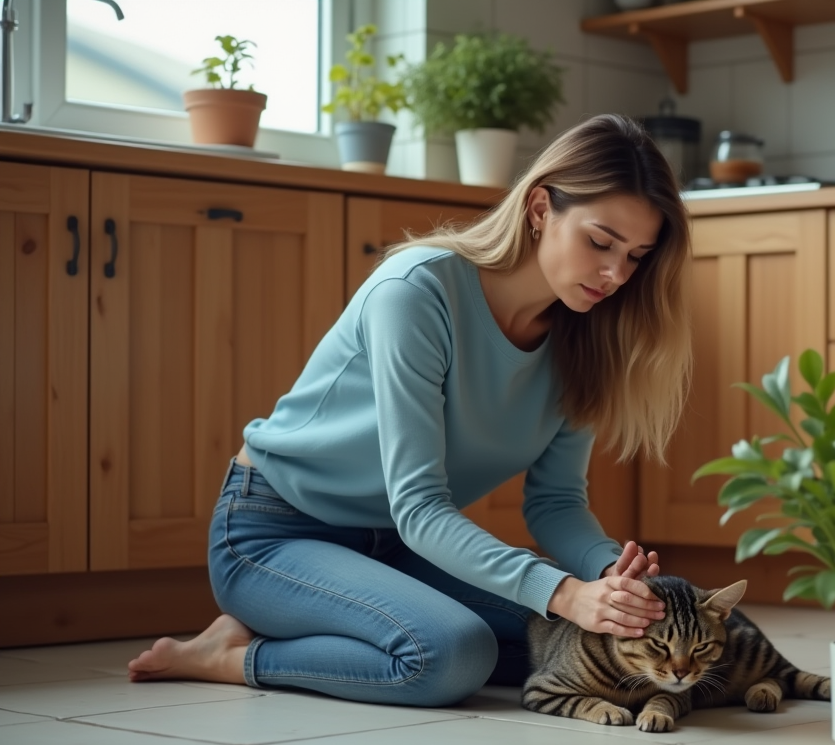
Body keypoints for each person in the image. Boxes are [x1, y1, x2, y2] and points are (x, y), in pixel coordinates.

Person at [126, 113, 694, 707]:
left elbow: (555, 502)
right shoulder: (417, 292)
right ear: (539, 208)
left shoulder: (588, 338)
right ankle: (231, 655)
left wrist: (610, 577)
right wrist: (560, 590)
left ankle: (328, 617)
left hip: (396, 544)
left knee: (577, 643)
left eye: (635, 257)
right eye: (600, 242)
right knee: (452, 655)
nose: (615, 274)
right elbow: (421, 506)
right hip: (273, 530)